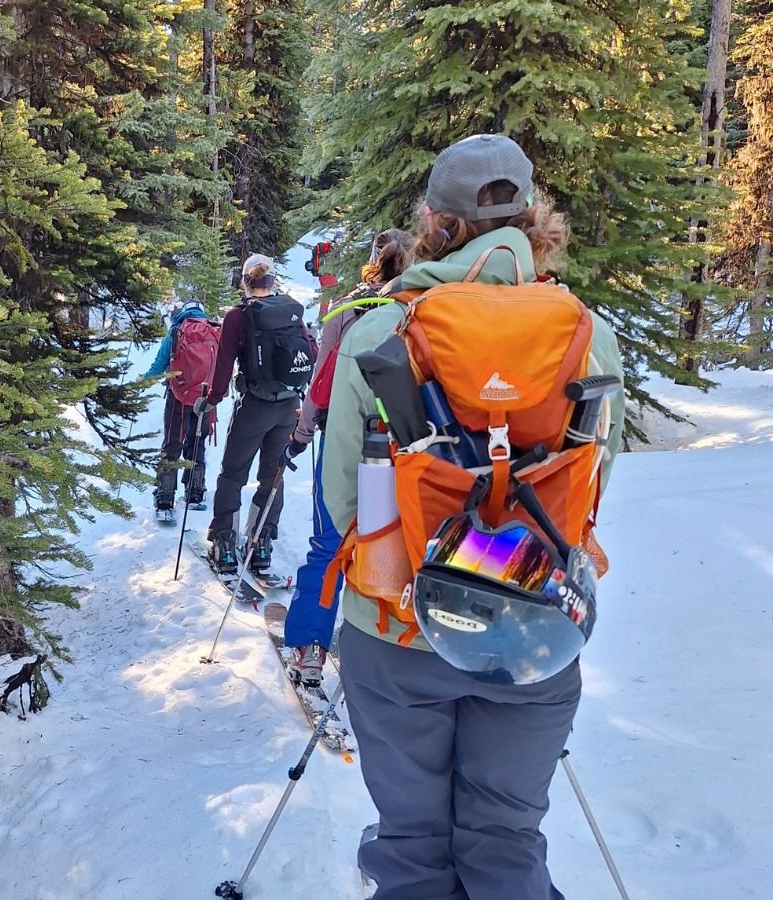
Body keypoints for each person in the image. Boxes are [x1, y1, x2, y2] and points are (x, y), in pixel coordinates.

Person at [323, 134, 626, 900]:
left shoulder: (377, 332)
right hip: (534, 631)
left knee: (415, 850)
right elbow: (593, 486)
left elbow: (344, 506)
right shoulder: (589, 338)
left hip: (396, 631)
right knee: (504, 843)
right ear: (531, 218)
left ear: (432, 221)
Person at [281, 229, 415, 688]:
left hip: (346, 443)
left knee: (330, 545)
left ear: (373, 260)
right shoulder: (426, 308)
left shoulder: (349, 309)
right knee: (397, 548)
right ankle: (384, 651)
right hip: (406, 453)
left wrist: (299, 436)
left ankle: (308, 646)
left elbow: (321, 386)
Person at [196, 253, 315, 575]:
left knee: (233, 474)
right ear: (272, 281)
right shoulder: (290, 309)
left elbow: (223, 366)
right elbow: (310, 350)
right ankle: (260, 544)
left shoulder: (238, 316)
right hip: (289, 406)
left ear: (244, 281)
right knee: (272, 476)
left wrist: (212, 399)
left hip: (254, 407)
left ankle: (224, 542)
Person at [141, 299, 218, 513]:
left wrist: (145, 379)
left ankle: (165, 494)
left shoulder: (177, 331)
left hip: (178, 397)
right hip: (206, 399)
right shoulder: (214, 331)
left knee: (172, 442)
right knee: (197, 442)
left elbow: (160, 362)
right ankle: (195, 489)